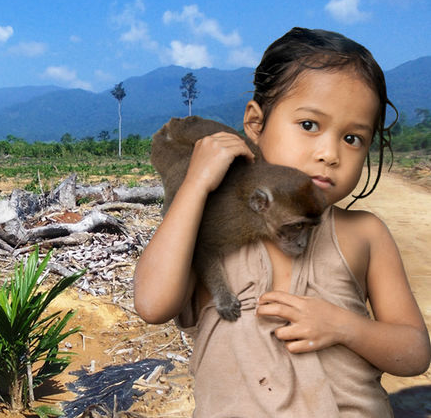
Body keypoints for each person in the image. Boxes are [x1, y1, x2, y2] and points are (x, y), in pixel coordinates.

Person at [134, 27, 431, 416]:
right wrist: (195, 183)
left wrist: (345, 327)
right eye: (310, 125)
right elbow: (152, 304)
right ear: (256, 124)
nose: (329, 153)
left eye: (353, 138)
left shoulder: (364, 234)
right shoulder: (207, 226)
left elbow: (413, 354)